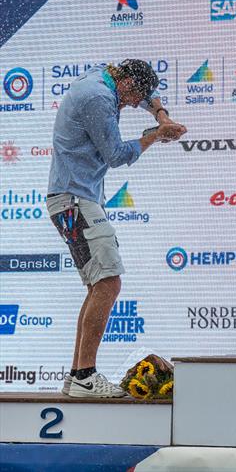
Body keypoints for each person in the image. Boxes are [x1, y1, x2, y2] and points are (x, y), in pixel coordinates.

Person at [47, 59, 186, 398]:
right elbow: (116, 154)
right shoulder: (98, 98)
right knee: (108, 283)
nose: (128, 104)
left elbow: (146, 95)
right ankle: (84, 375)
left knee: (99, 285)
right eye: (129, 97)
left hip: (73, 198)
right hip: (76, 200)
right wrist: (154, 136)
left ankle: (77, 375)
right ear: (123, 81)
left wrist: (160, 114)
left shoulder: (104, 76)